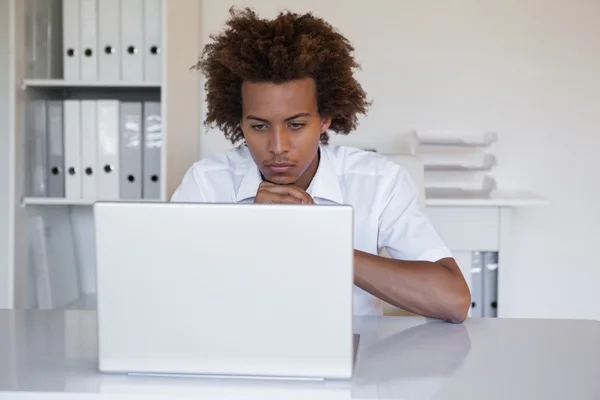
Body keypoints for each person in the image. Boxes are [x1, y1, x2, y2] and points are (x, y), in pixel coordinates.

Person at [171, 7, 471, 323]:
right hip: (237, 352)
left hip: (354, 359)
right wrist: (248, 230)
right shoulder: (206, 183)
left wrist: (322, 243)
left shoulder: (378, 181)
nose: (277, 146)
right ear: (240, 123)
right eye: (259, 126)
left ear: (325, 118)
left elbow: (452, 300)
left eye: (296, 125)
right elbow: (168, 292)